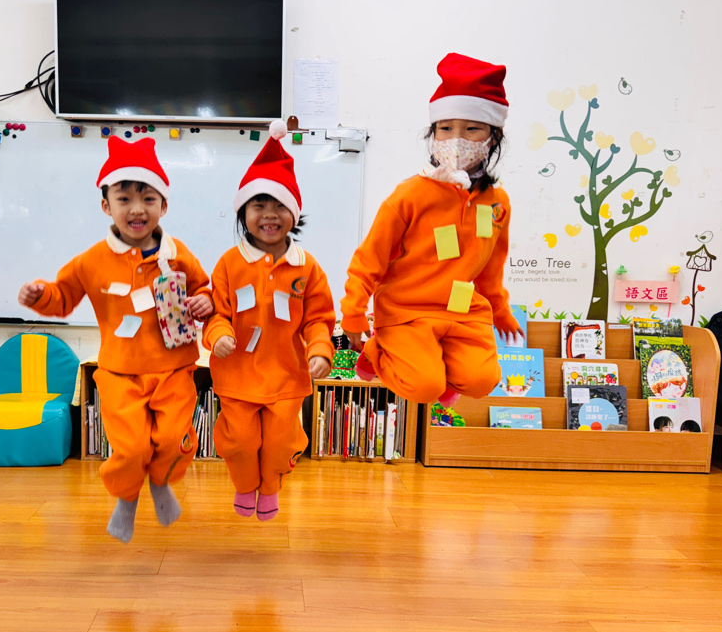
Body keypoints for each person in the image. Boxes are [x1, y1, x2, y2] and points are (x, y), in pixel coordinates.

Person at [18, 136, 213, 542]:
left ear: (164, 205)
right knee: (130, 449)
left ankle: (160, 483)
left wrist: (204, 302)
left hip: (175, 368)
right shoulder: (92, 260)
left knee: (174, 441)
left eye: (148, 198)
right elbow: (62, 296)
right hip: (120, 373)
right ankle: (127, 499)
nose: (137, 209)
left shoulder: (177, 254)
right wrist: (40, 295)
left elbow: (203, 288)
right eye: (124, 199)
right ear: (106, 206)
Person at [341, 53, 521, 406]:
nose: (456, 139)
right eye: (445, 128)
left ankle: (441, 370)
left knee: (482, 381)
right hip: (407, 312)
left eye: (472, 129)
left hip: (463, 313)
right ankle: (378, 353)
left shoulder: (497, 202)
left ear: (493, 137)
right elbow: (369, 260)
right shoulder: (410, 194)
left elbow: (490, 268)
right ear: (433, 133)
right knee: (423, 387)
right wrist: (353, 311)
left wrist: (500, 310)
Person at [203, 121, 335, 521]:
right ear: (243, 212)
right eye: (259, 205)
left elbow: (319, 318)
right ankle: (245, 486)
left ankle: (271, 488)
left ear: (294, 213)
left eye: (279, 205)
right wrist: (218, 335)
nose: (269, 215)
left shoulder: (306, 266)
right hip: (238, 374)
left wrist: (320, 350)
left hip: (285, 376)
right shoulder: (229, 263)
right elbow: (216, 312)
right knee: (240, 442)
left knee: (280, 445)